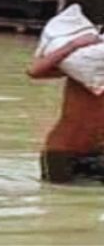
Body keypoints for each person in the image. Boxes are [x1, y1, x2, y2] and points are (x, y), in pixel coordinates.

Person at [27, 30, 104, 183]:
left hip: (99, 153)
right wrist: (73, 45)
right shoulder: (85, 67)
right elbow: (34, 71)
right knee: (58, 200)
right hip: (62, 152)